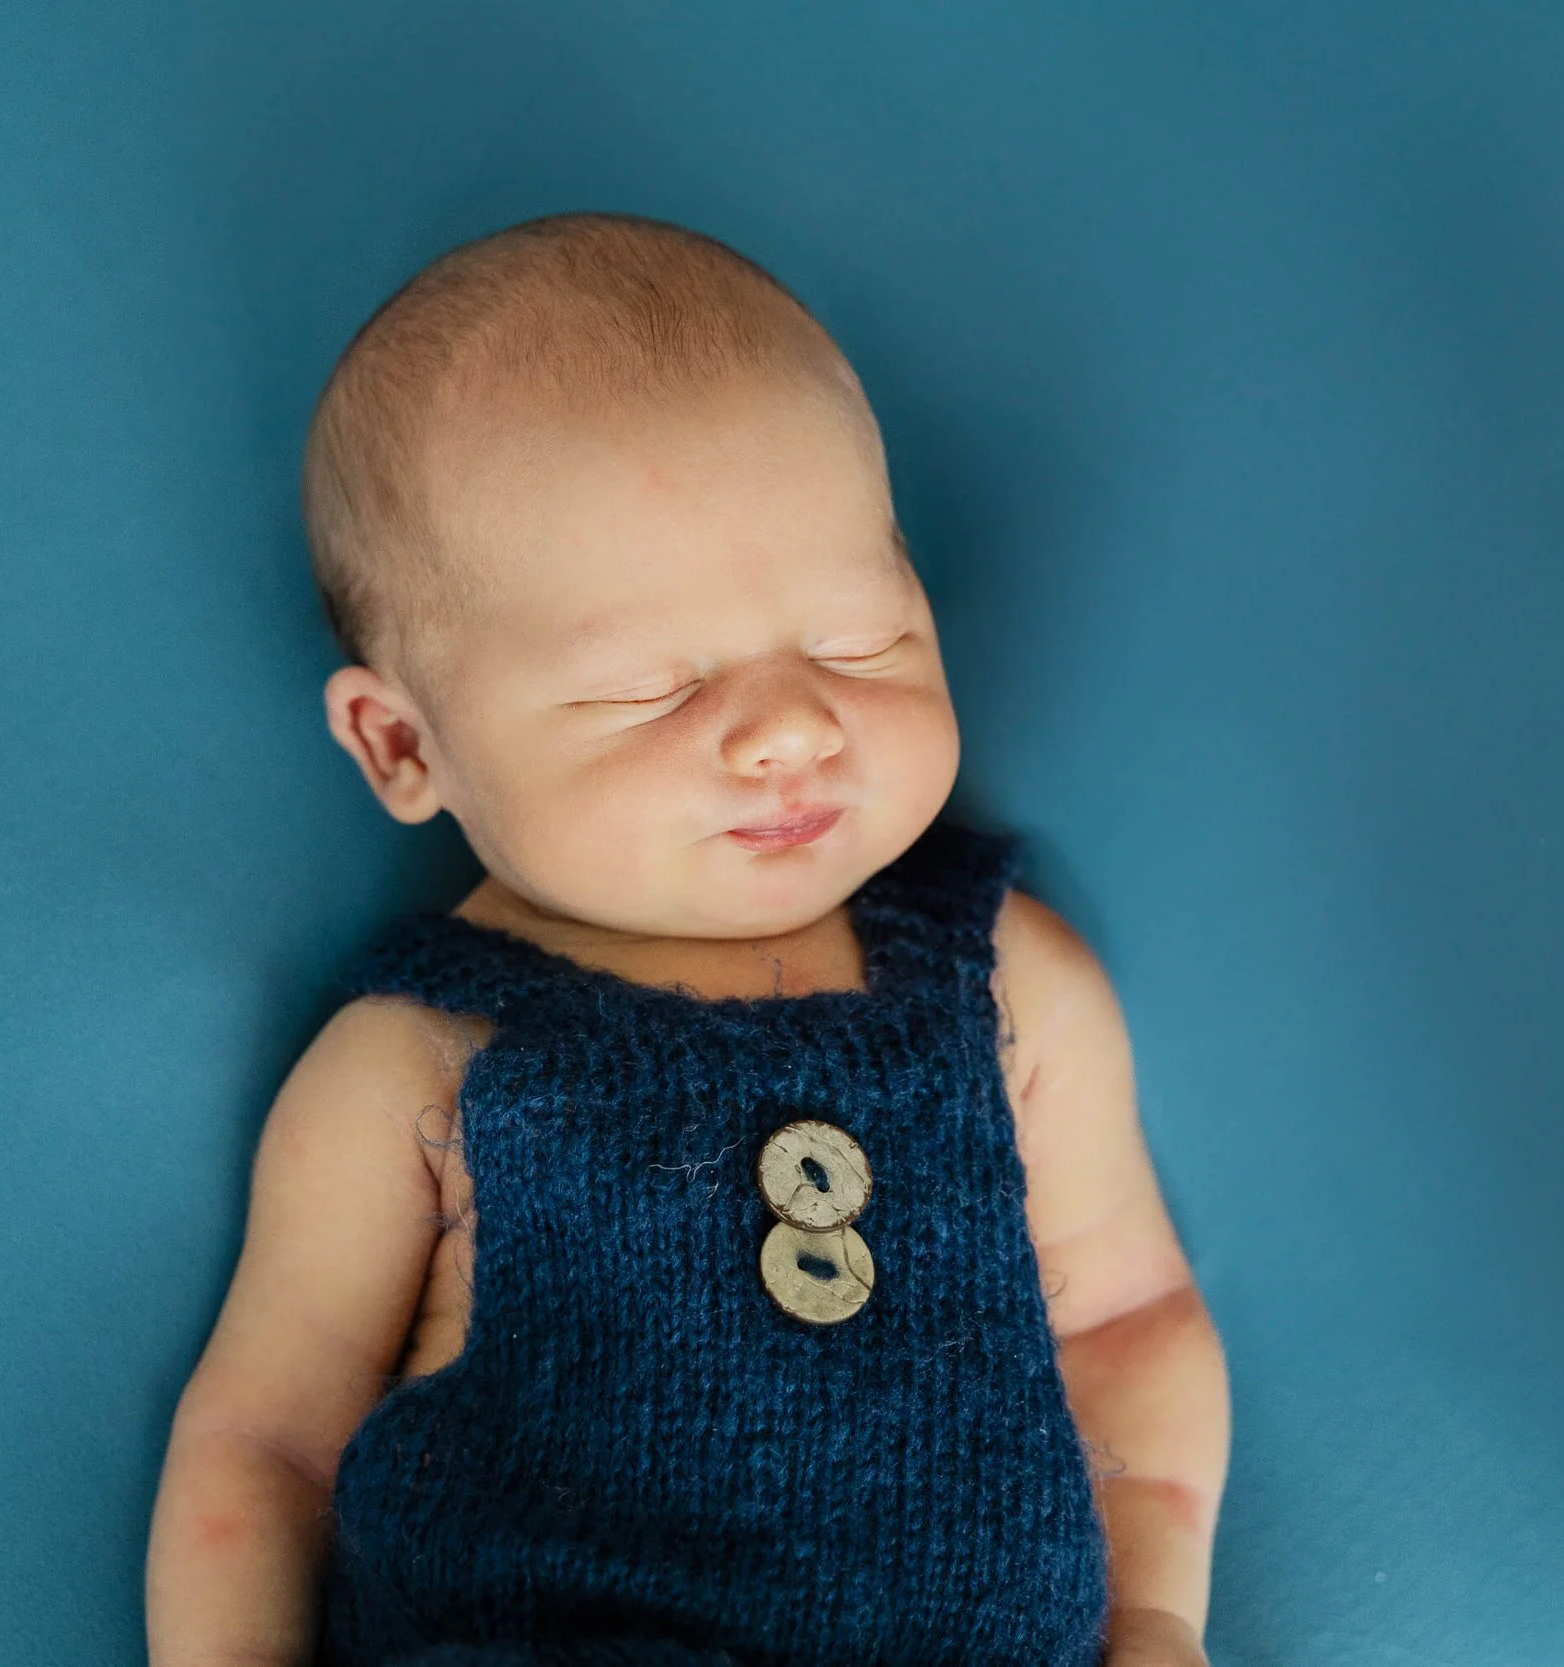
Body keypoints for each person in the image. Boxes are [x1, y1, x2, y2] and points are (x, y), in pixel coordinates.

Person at [145, 212, 1229, 1667]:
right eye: (651, 691)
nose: (792, 727)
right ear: (404, 744)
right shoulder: (421, 1062)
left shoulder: (1012, 989)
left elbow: (1133, 1322)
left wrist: (1156, 1613)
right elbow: (262, 1444)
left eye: (861, 641)